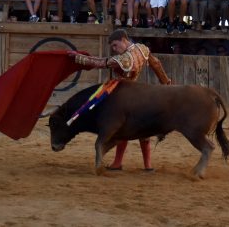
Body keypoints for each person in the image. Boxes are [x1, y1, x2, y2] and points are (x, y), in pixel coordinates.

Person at [71, 29, 171, 172]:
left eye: (115, 45)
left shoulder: (123, 59)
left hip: (123, 97)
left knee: (122, 129)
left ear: (124, 40)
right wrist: (166, 83)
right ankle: (147, 165)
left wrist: (77, 58)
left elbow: (100, 63)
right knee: (143, 130)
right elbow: (156, 64)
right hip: (140, 93)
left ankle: (118, 163)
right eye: (112, 47)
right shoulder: (142, 49)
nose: (114, 49)